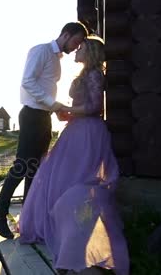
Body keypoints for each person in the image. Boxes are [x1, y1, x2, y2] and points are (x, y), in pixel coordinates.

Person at [18, 36, 130, 275]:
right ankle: (64, 233)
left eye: (81, 47)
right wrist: (67, 114)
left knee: (76, 183)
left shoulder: (95, 75)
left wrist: (65, 108)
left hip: (89, 133)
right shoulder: (84, 75)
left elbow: (94, 108)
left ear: (89, 52)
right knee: (53, 177)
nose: (76, 50)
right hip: (75, 130)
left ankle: (80, 243)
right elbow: (83, 107)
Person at [0, 22, 89, 239]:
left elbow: (45, 90)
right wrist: (55, 106)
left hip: (44, 117)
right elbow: (27, 82)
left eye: (79, 45)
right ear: (65, 34)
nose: (75, 47)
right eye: (75, 41)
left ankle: (28, 221)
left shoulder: (57, 59)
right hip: (31, 116)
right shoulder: (41, 51)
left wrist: (56, 111)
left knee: (35, 172)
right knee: (22, 166)